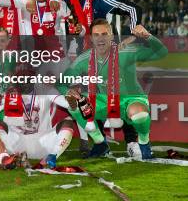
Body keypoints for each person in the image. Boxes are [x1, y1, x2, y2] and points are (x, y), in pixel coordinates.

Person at [62, 18, 168, 159]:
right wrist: (69, 92)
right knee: (75, 106)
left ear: (112, 36)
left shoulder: (127, 51)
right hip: (106, 101)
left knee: (139, 114)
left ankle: (144, 143)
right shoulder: (84, 58)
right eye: (96, 35)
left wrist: (148, 36)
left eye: (104, 34)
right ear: (91, 38)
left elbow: (162, 52)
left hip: (131, 99)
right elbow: (61, 82)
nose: (100, 38)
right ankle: (100, 144)